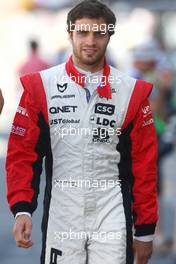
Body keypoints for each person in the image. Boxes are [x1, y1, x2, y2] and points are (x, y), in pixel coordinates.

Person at [6, 1, 158, 264]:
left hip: (112, 211)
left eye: (99, 33)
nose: (91, 41)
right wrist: (22, 210)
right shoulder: (40, 87)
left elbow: (144, 166)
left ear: (110, 35)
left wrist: (144, 232)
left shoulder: (132, 92)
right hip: (63, 213)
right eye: (83, 32)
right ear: (69, 34)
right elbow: (22, 153)